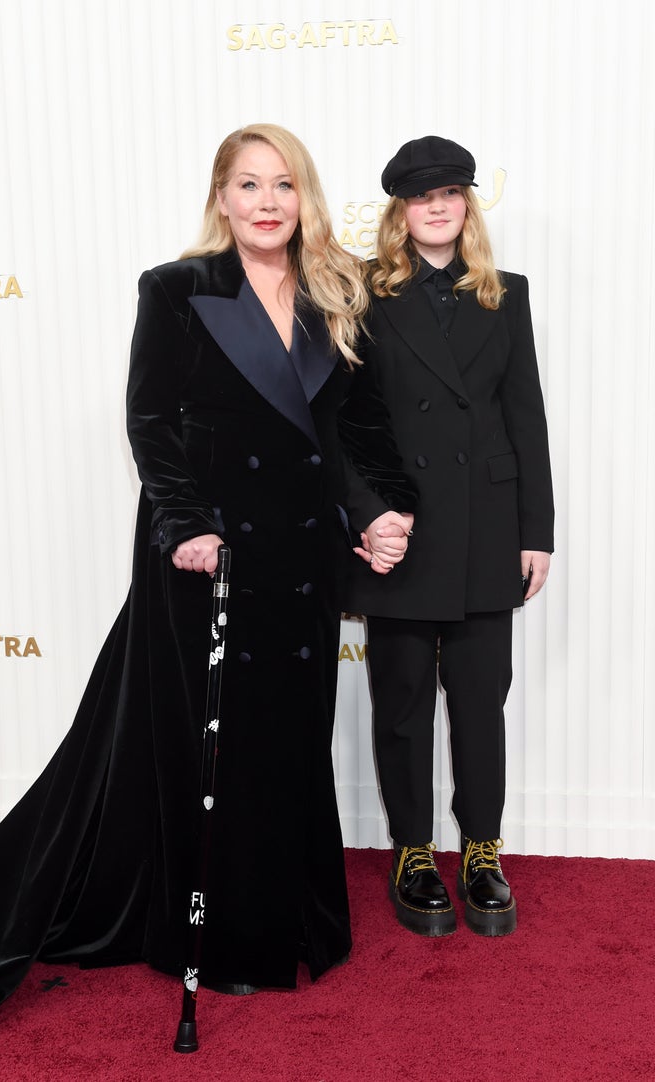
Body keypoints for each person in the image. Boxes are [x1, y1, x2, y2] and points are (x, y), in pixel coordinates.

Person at [0, 123, 392, 1046]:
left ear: (304, 197)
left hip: (300, 561)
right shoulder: (178, 288)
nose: (268, 203)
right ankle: (220, 937)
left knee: (289, 734)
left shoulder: (340, 294)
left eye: (285, 186)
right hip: (208, 558)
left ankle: (294, 921)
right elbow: (150, 420)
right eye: (249, 185)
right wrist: (186, 524)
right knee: (213, 749)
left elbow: (353, 433)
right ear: (221, 197)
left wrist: (381, 511)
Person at [339, 135, 554, 938]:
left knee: (478, 701)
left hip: (485, 524)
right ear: (401, 210)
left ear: (467, 204)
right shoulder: (359, 290)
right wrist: (365, 513)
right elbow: (343, 422)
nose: (439, 207)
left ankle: (485, 851)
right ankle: (414, 852)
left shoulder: (508, 293)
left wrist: (537, 528)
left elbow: (523, 412)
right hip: (400, 527)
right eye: (423, 196)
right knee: (399, 704)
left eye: (453, 193)